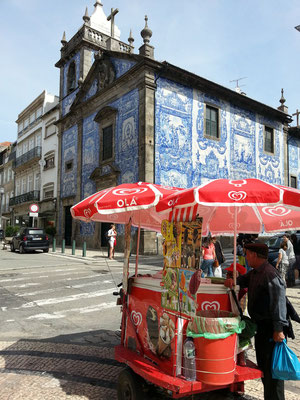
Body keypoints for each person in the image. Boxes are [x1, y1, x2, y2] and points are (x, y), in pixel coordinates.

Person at [224, 243, 287, 400]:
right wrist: (232, 280)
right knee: (265, 369)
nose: (245, 257)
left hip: (271, 330)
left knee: (274, 371)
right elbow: (242, 280)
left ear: (253, 255)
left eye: (247, 254)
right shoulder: (255, 273)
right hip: (261, 328)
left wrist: (279, 329)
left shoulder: (269, 274)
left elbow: (279, 303)